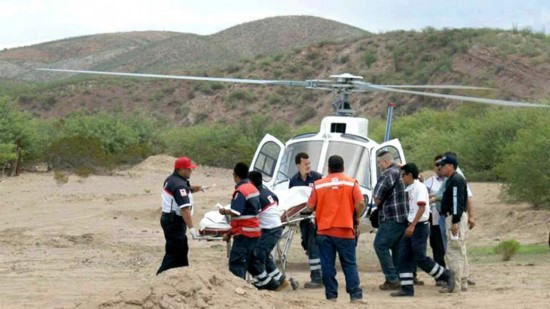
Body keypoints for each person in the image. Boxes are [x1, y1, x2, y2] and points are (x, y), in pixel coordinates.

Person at [306, 155, 366, 303]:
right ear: (343, 167)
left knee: (327, 265)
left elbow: (309, 207)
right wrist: (355, 216)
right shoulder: (351, 183)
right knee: (349, 264)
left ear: (329, 168)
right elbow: (361, 203)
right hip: (345, 230)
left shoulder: (318, 184)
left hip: (324, 231)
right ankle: (355, 296)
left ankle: (331, 296)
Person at [390, 163, 455, 297]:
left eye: (403, 175)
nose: (402, 178)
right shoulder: (411, 187)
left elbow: (422, 207)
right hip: (411, 224)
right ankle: (407, 287)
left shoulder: (419, 188)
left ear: (409, 175)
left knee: (420, 257)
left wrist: (413, 225)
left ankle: (446, 275)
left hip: (418, 227)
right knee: (403, 256)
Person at [219, 163, 266, 285]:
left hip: (244, 233)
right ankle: (270, 284)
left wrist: (223, 211)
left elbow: (236, 212)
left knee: (237, 262)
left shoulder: (241, 191)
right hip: (254, 231)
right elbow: (258, 210)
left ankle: (238, 288)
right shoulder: (253, 188)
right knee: (252, 261)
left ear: (235, 175)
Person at [157, 156, 201, 275]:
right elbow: (185, 209)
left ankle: (182, 275)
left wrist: (198, 188)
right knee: (174, 252)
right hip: (174, 221)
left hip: (170, 219)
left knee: (182, 249)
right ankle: (160, 277)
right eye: (189, 169)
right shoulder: (179, 184)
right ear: (181, 169)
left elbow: (185, 190)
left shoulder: (172, 179)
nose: (191, 171)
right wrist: (191, 228)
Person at [372, 150, 408, 290]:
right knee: (397, 248)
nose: (379, 166)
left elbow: (377, 196)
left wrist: (380, 206)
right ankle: (398, 277)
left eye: (380, 162)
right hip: (404, 218)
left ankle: (392, 278)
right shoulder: (403, 172)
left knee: (380, 245)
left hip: (391, 217)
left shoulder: (387, 174)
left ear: (386, 162)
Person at [248, 171, 289, 290]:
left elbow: (251, 216)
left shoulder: (256, 197)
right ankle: (281, 281)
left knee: (255, 256)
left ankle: (267, 283)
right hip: (275, 229)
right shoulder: (268, 193)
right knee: (264, 256)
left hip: (269, 231)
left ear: (251, 182)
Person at [288, 152, 323, 288]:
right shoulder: (293, 181)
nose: (308, 166)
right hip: (303, 218)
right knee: (306, 244)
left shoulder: (317, 177)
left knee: (314, 246)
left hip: (315, 218)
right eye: (305, 164)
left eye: (309, 163)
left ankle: (317, 278)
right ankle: (320, 274)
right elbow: (291, 200)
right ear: (298, 165)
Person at [438, 155, 469, 293]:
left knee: (453, 251)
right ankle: (463, 282)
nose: (440, 168)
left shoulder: (455, 180)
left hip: (454, 217)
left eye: (443, 166)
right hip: (455, 216)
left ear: (450, 166)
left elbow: (456, 201)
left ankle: (455, 285)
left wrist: (455, 221)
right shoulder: (453, 180)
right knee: (460, 250)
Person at [423, 154, 447, 286]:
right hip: (435, 218)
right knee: (437, 248)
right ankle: (441, 276)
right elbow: (423, 196)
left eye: (441, 164)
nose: (439, 167)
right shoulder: (430, 181)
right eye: (436, 164)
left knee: (451, 247)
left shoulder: (451, 179)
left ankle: (457, 273)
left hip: (448, 217)